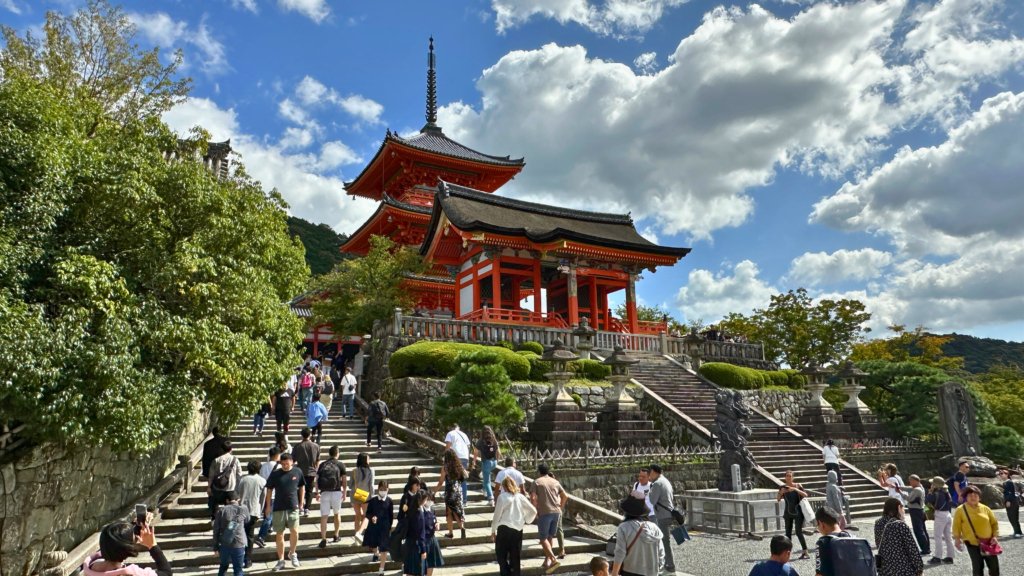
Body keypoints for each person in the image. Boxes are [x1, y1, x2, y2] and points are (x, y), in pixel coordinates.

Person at [264, 453, 306, 571]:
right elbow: (269, 489)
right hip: (278, 507)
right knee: (279, 534)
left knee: (295, 530)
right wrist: (268, 506)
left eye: (287, 464)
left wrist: (301, 503)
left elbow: (302, 486)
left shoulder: (297, 472)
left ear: (292, 462)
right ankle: (281, 560)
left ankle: (292, 553)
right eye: (283, 464)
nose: (285, 466)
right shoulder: (276, 474)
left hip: (293, 506)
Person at [83, 521, 171, 576]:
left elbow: (111, 545)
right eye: (134, 537)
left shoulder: (91, 567)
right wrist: (152, 545)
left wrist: (134, 525)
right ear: (127, 549)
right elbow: (166, 573)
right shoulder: (133, 573)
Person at [492, 476, 538, 576]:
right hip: (518, 529)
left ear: (504, 487)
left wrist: (493, 530)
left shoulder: (502, 497)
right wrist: (527, 520)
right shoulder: (520, 497)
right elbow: (533, 510)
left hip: (504, 528)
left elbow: (497, 515)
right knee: (515, 557)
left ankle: (506, 573)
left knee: (501, 555)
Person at [610, 495, 664, 576]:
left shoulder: (624, 527)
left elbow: (620, 552)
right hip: (651, 571)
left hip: (630, 570)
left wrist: (614, 572)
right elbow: (661, 552)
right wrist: (658, 567)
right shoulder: (655, 528)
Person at [953, 485, 1000, 576]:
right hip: (973, 543)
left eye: (976, 495)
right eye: (970, 495)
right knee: (978, 568)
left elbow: (994, 523)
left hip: (988, 542)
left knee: (994, 567)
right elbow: (956, 526)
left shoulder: (985, 508)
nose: (973, 497)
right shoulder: (960, 510)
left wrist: (995, 536)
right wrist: (957, 539)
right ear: (966, 497)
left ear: (979, 497)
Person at [530, 463, 568, 573]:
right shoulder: (555, 482)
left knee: (543, 539)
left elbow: (533, 498)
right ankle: (547, 561)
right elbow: (565, 496)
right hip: (556, 512)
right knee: (550, 537)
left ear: (539, 472)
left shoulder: (537, 482)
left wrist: (535, 510)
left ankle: (553, 559)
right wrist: (560, 507)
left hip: (544, 512)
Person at [874, 498, 923, 576]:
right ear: (898, 508)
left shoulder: (878, 523)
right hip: (903, 568)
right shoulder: (900, 525)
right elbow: (912, 548)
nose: (903, 510)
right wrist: (919, 568)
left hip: (885, 568)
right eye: (902, 507)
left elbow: (878, 543)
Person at [647, 464, 678, 574]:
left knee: (665, 541)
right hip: (668, 513)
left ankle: (670, 565)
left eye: (650, 473)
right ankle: (665, 563)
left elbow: (652, 501)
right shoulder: (665, 481)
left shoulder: (657, 484)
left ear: (655, 472)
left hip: (663, 515)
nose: (649, 475)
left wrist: (649, 491)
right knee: (664, 540)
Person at [236, 462, 267, 569]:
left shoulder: (243, 480)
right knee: (249, 536)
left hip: (241, 510)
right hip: (254, 510)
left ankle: (239, 557)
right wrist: (261, 510)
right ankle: (247, 559)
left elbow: (237, 494)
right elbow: (263, 498)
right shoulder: (262, 481)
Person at [317, 445, 347, 548]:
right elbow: (344, 480)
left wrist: (317, 492)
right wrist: (344, 491)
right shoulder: (340, 465)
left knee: (324, 516)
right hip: (336, 492)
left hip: (324, 492)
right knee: (337, 514)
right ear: (337, 453)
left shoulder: (322, 464)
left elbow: (316, 480)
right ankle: (336, 535)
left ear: (329, 454)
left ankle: (323, 539)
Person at [212, 491, 249, 576]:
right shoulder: (244, 508)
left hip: (225, 543)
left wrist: (215, 547)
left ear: (227, 500)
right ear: (238, 499)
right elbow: (247, 521)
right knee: (238, 570)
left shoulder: (221, 511)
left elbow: (216, 530)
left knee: (223, 567)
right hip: (239, 543)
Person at [434, 448, 467, 539]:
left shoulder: (445, 467)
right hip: (458, 491)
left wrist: (434, 492)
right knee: (457, 510)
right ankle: (462, 527)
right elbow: (466, 475)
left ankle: (450, 532)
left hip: (449, 492)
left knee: (449, 512)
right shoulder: (458, 465)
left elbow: (440, 482)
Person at [364, 480, 395, 575]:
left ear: (388, 489)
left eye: (385, 489)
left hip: (385, 527)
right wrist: (371, 517)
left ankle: (381, 569)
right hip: (374, 527)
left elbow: (391, 515)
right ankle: (376, 553)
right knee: (373, 545)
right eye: (381, 489)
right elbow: (368, 513)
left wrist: (389, 526)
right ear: (378, 489)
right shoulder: (373, 501)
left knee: (384, 548)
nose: (383, 491)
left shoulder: (389, 501)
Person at [777, 471, 810, 560]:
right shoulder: (782, 487)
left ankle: (805, 551)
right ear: (785, 477)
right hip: (788, 512)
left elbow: (805, 495)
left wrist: (795, 489)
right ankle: (787, 553)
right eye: (787, 476)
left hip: (798, 512)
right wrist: (781, 493)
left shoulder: (798, 485)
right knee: (788, 533)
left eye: (790, 476)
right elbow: (778, 499)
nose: (788, 478)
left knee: (798, 532)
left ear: (793, 478)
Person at [925, 476, 955, 565]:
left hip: (940, 514)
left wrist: (930, 492)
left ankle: (937, 557)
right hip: (948, 514)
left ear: (935, 485)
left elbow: (927, 501)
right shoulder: (946, 492)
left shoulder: (936, 493)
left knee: (937, 536)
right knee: (948, 537)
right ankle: (950, 556)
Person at [255, 447, 282, 546]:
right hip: (274, 494)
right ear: (277, 456)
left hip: (265, 493)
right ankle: (261, 536)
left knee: (269, 514)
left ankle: (269, 527)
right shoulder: (279, 467)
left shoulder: (263, 466)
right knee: (269, 516)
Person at [208, 441, 242, 519]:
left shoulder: (216, 460)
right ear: (231, 449)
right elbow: (239, 474)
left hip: (217, 488)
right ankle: (228, 522)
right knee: (231, 509)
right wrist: (238, 490)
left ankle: (215, 520)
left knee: (215, 504)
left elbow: (211, 475)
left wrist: (209, 487)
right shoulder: (235, 460)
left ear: (222, 449)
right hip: (231, 488)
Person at [813, 506, 850, 576]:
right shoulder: (852, 538)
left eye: (817, 525)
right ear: (837, 522)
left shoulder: (822, 543)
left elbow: (819, 574)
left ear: (821, 524)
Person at [291, 427, 319, 517]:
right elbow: (317, 460)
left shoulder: (297, 446)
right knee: (309, 491)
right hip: (311, 471)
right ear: (310, 435)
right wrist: (316, 468)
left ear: (301, 435)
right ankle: (307, 508)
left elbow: (293, 460)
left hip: (300, 471)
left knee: (299, 489)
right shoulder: (316, 446)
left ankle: (300, 506)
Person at [901, 475, 931, 556]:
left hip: (915, 511)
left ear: (915, 481)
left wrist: (900, 493)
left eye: (910, 481)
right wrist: (899, 487)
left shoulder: (917, 490)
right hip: (921, 510)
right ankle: (927, 548)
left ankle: (925, 549)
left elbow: (909, 499)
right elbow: (909, 488)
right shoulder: (920, 487)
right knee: (923, 530)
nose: (910, 482)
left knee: (918, 531)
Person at [444, 423, 472, 505]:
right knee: (462, 479)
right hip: (465, 457)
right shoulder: (464, 434)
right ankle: (464, 500)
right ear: (458, 428)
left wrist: (446, 458)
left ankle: (450, 496)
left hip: (455, 457)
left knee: (451, 477)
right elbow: (468, 446)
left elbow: (448, 446)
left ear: (451, 428)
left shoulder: (450, 433)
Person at [475, 425, 501, 506]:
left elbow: (475, 452)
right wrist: (497, 460)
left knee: (487, 482)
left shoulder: (480, 441)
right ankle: (484, 490)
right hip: (494, 462)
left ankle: (491, 498)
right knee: (486, 475)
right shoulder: (494, 440)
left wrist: (474, 461)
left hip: (486, 462)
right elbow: (499, 452)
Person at [352, 452, 376, 538]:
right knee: (366, 516)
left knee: (357, 515)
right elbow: (371, 485)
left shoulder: (354, 470)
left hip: (355, 494)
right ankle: (361, 533)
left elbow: (350, 484)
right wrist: (372, 497)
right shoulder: (371, 471)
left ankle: (356, 534)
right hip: (365, 495)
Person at [998, 469, 1022, 538]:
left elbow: (1011, 492)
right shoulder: (1005, 482)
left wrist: (1008, 500)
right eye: (1000, 474)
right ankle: (1016, 531)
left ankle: (1018, 532)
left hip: (1012, 502)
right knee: (1011, 517)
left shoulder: (1009, 482)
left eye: (1002, 474)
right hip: (1010, 501)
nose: (1001, 475)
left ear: (1007, 475)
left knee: (1013, 517)